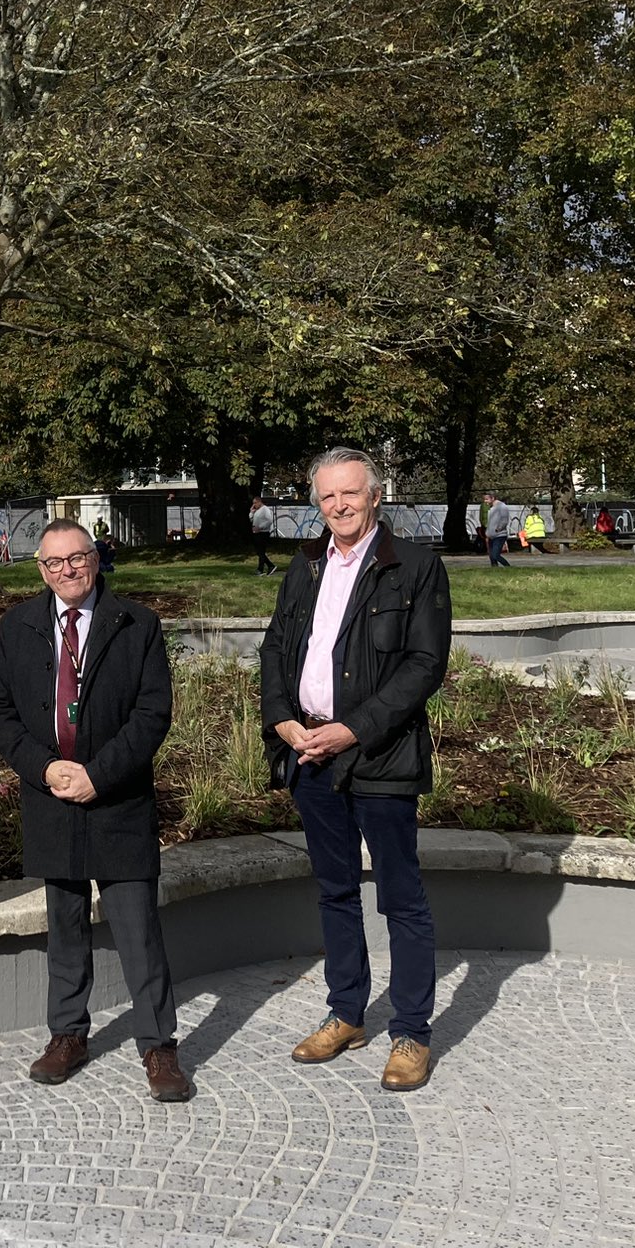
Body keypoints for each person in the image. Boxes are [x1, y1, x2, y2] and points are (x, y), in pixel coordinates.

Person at [259, 447, 453, 1093]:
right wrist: (284, 720)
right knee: (335, 889)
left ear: (375, 496)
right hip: (310, 753)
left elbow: (425, 665)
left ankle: (412, 1032)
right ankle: (346, 1013)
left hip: (380, 755)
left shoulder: (415, 567)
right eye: (327, 498)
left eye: (350, 494)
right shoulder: (306, 564)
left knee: (401, 898)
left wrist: (355, 727)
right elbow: (278, 647)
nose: (338, 506)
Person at [0, 518, 192, 1102]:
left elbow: (153, 714)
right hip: (51, 795)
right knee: (65, 926)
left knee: (137, 929)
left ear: (96, 558)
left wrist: (97, 775)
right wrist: (46, 769)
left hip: (117, 796)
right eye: (53, 563)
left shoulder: (136, 623)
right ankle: (68, 1035)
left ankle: (158, 1045)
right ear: (41, 570)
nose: (67, 571)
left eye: (77, 558)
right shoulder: (19, 625)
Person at [249, 494, 277, 576]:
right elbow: (251, 519)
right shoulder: (256, 510)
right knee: (259, 552)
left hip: (263, 532)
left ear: (259, 502)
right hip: (256, 532)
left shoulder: (265, 509)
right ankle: (270, 565)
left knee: (261, 551)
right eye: (253, 503)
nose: (254, 505)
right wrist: (251, 512)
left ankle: (260, 569)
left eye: (255, 503)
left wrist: (260, 527)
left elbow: (269, 521)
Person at [484, 492, 512, 568]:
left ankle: (508, 567)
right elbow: (490, 523)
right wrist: (487, 533)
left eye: (487, 499)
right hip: (491, 536)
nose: (485, 501)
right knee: (492, 557)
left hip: (499, 535)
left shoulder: (502, 507)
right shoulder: (491, 508)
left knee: (495, 555)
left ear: (493, 498)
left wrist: (498, 529)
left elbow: (504, 520)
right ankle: (495, 569)